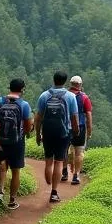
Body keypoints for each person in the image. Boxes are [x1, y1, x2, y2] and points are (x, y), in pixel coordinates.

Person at [35, 70, 79, 204]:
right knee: (59, 161)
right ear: (65, 82)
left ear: (53, 80)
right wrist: (75, 131)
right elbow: (74, 117)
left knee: (48, 160)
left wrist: (38, 133)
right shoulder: (70, 97)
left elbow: (38, 117)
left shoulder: (44, 95)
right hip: (63, 133)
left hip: (48, 132)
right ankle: (54, 191)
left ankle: (48, 181)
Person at [0, 78, 33, 210]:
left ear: (9, 87)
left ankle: (0, 192)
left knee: (2, 165)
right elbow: (28, 124)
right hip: (17, 141)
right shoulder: (24, 105)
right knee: (15, 171)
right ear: (22, 89)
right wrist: (22, 135)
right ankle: (12, 200)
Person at [63, 75, 93, 185]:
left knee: (64, 150)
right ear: (80, 85)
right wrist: (89, 130)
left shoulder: (64, 95)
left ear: (70, 84)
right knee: (79, 152)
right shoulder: (84, 98)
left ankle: (64, 172)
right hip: (80, 127)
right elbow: (89, 116)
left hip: (65, 126)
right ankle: (76, 176)